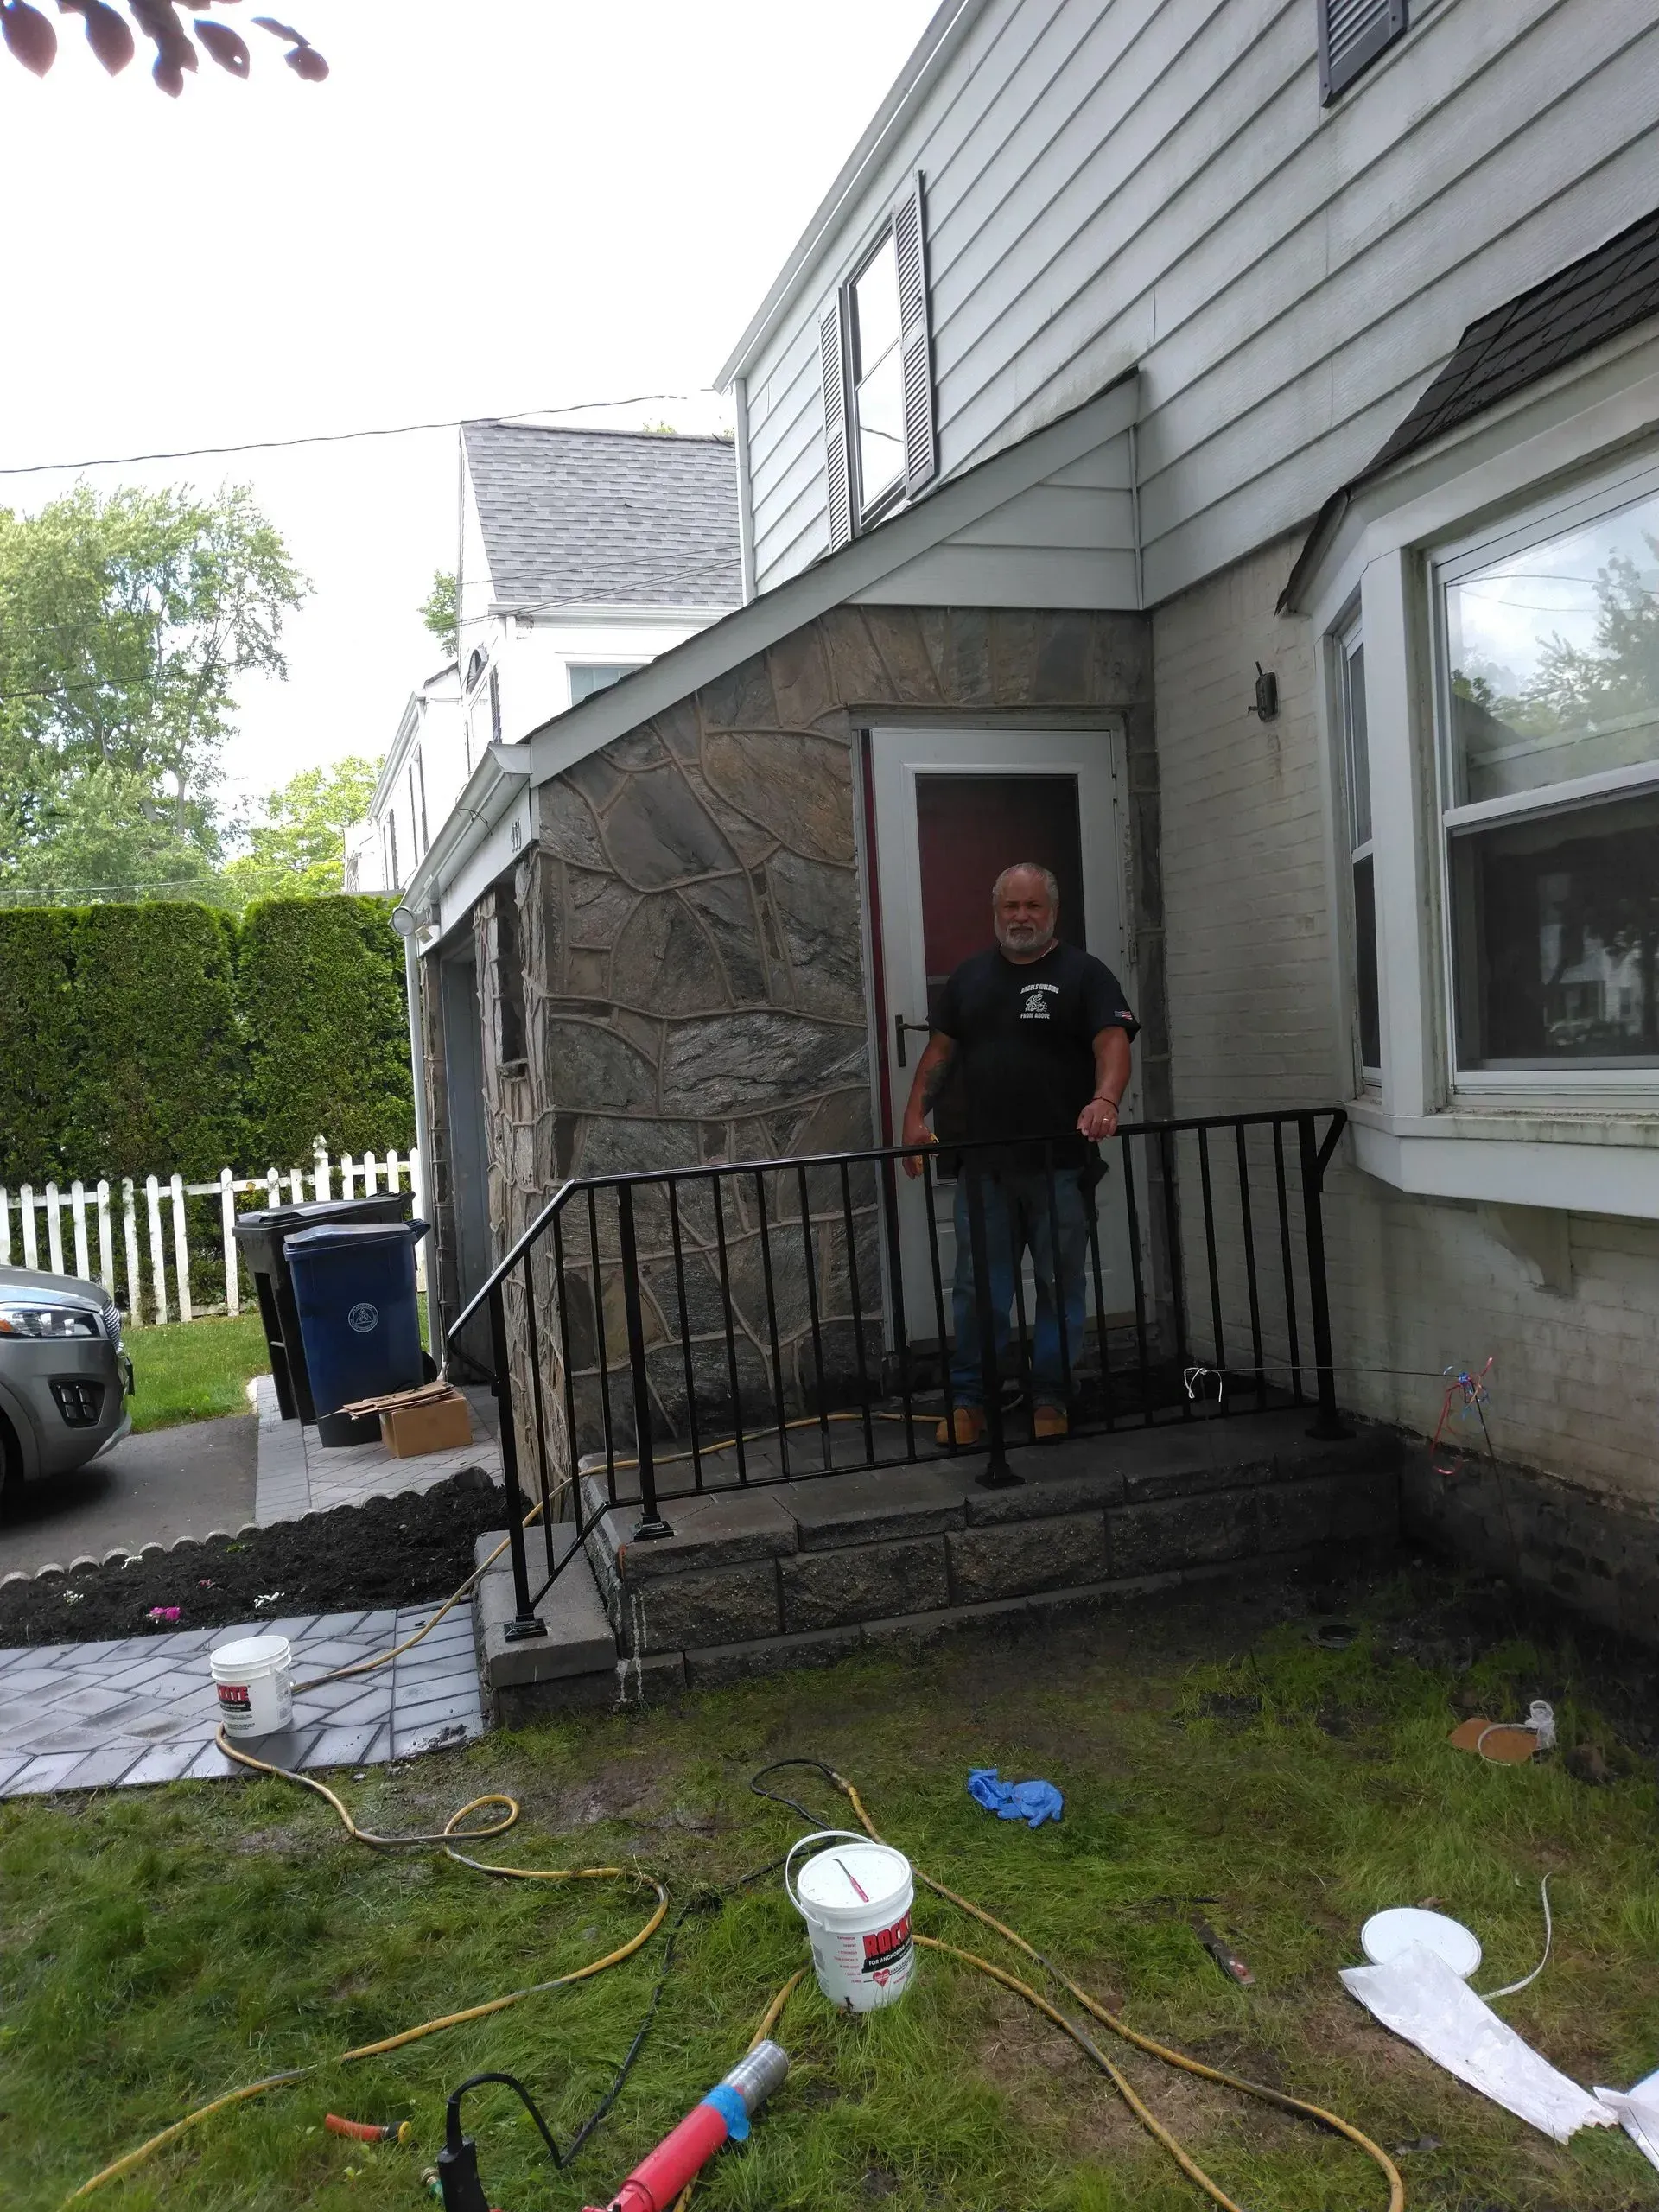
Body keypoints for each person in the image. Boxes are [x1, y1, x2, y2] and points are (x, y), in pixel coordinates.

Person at [899, 862, 1138, 1443]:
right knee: (979, 1290)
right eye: (1012, 907)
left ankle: (1052, 1397)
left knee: (1061, 1286)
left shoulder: (1086, 975)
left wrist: (1106, 1099)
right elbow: (939, 1054)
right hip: (984, 1169)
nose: (1022, 917)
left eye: (1033, 907)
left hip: (1060, 1168)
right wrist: (912, 1118)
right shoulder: (969, 978)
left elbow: (1113, 1043)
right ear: (996, 912)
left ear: (1052, 913)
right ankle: (970, 1402)